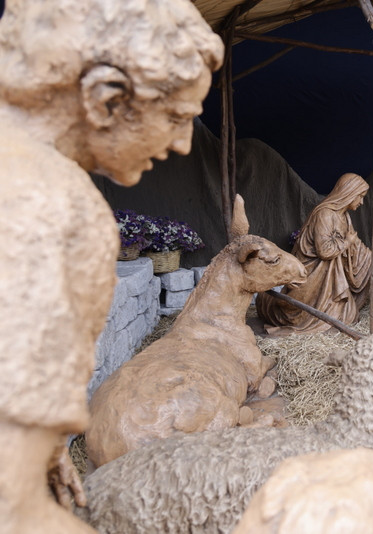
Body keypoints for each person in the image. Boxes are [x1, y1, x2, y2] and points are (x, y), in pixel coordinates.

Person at [0, 1, 223, 532]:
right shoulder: (43, 204)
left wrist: (46, 447)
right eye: (175, 117)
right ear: (106, 98)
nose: (182, 143)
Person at [257, 173, 372, 336]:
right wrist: (346, 242)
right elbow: (324, 251)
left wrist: (372, 259)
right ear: (349, 193)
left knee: (348, 316)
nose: (361, 202)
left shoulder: (344, 216)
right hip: (314, 276)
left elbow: (355, 244)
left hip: (331, 280)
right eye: (360, 197)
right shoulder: (324, 214)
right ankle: (267, 302)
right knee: (300, 315)